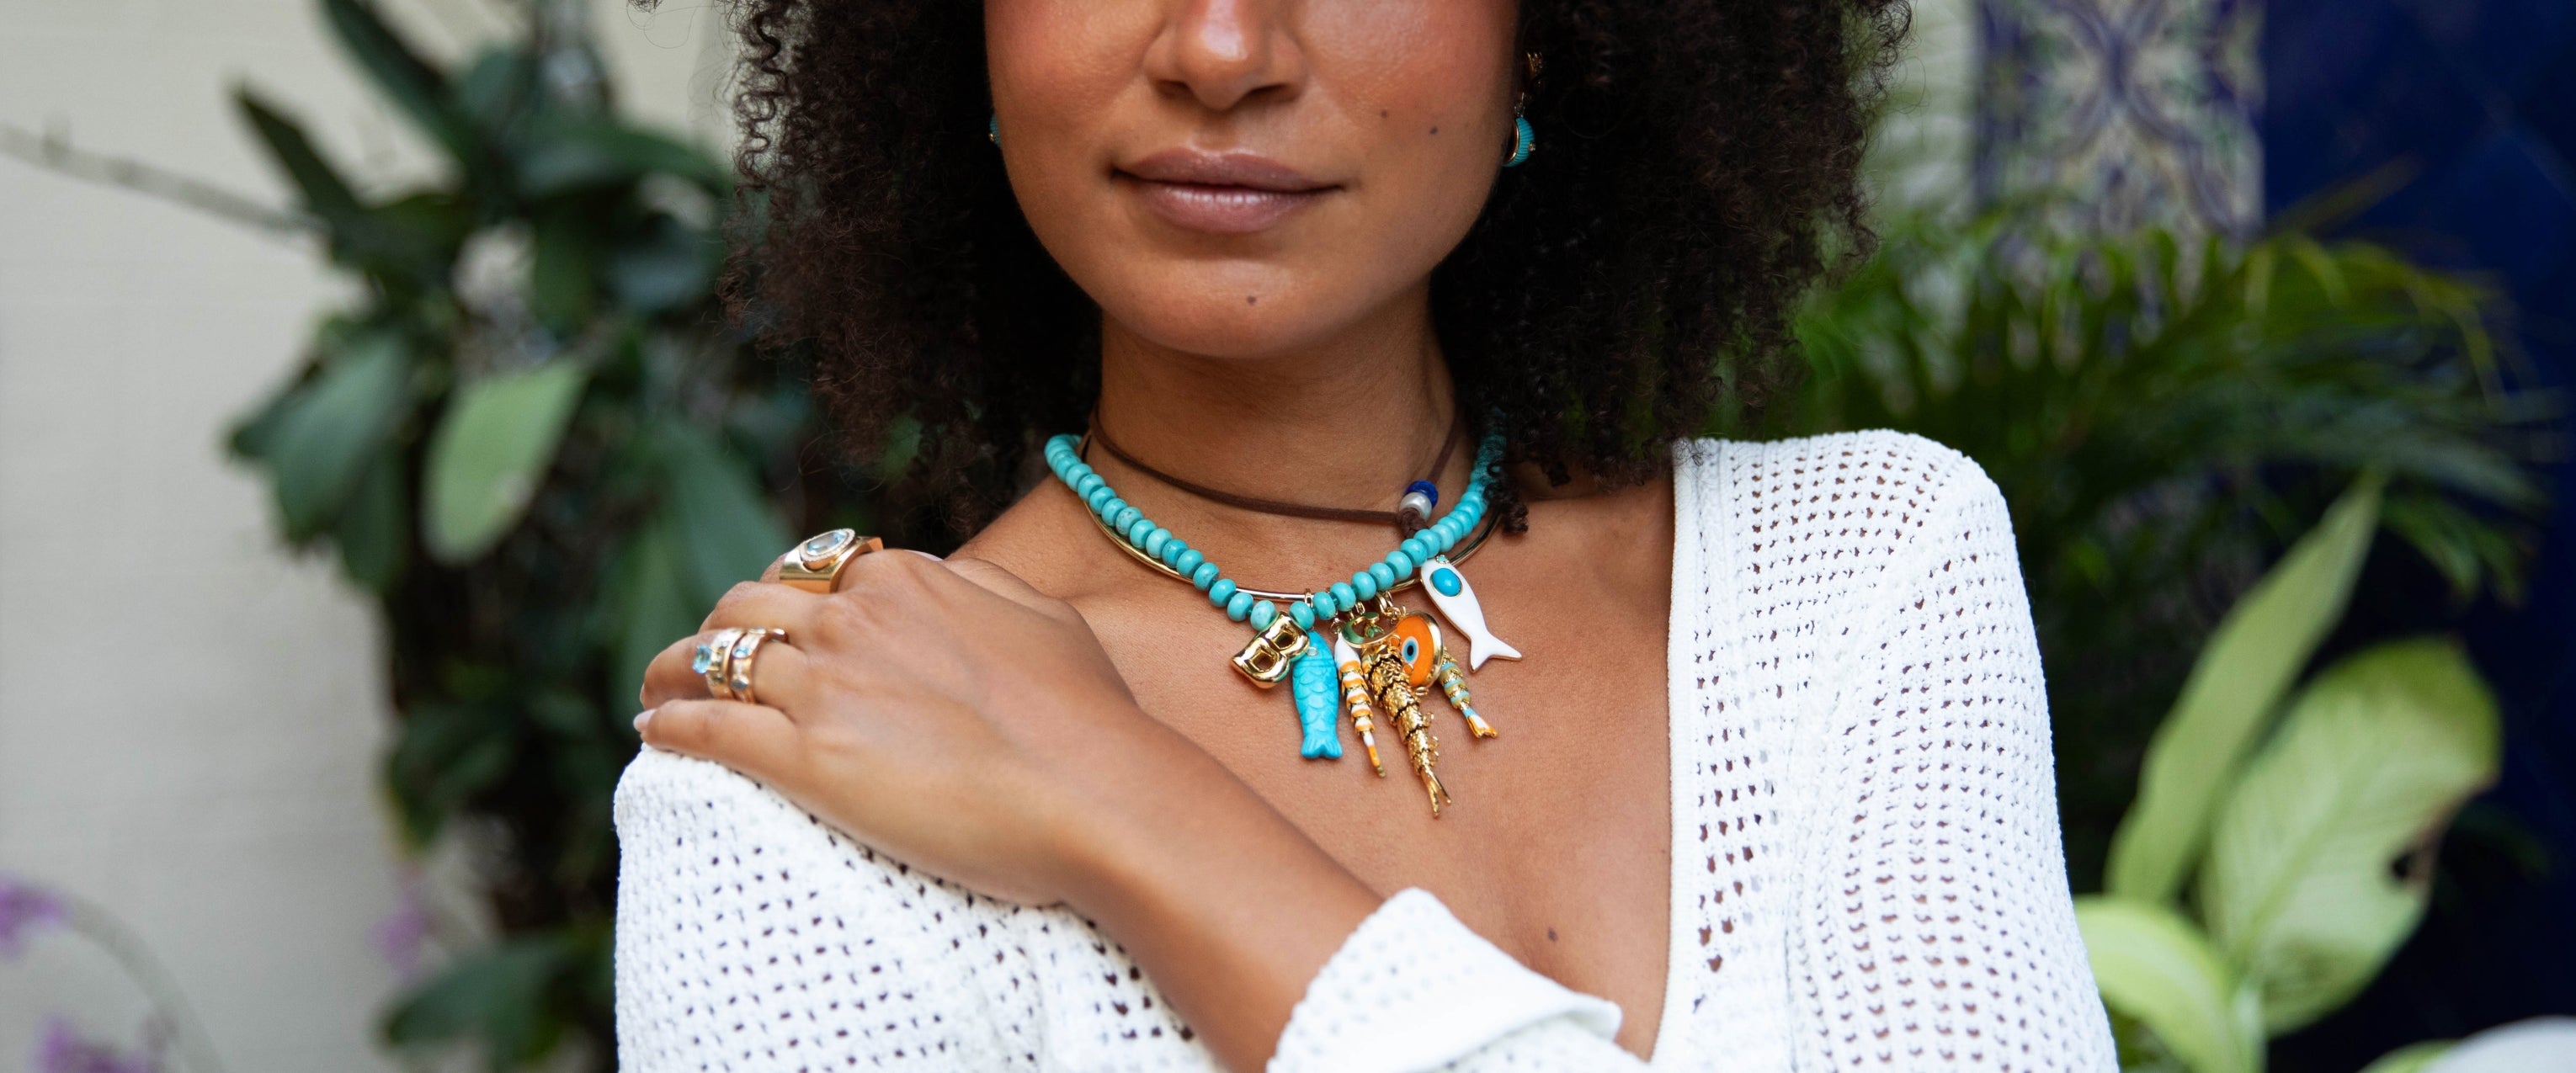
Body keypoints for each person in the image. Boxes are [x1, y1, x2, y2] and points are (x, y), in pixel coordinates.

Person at [614, 0, 2117, 1069]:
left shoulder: (1859, 572)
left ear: (1547, 27)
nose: (1220, 49)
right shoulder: (806, 774)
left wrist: (1124, 804)